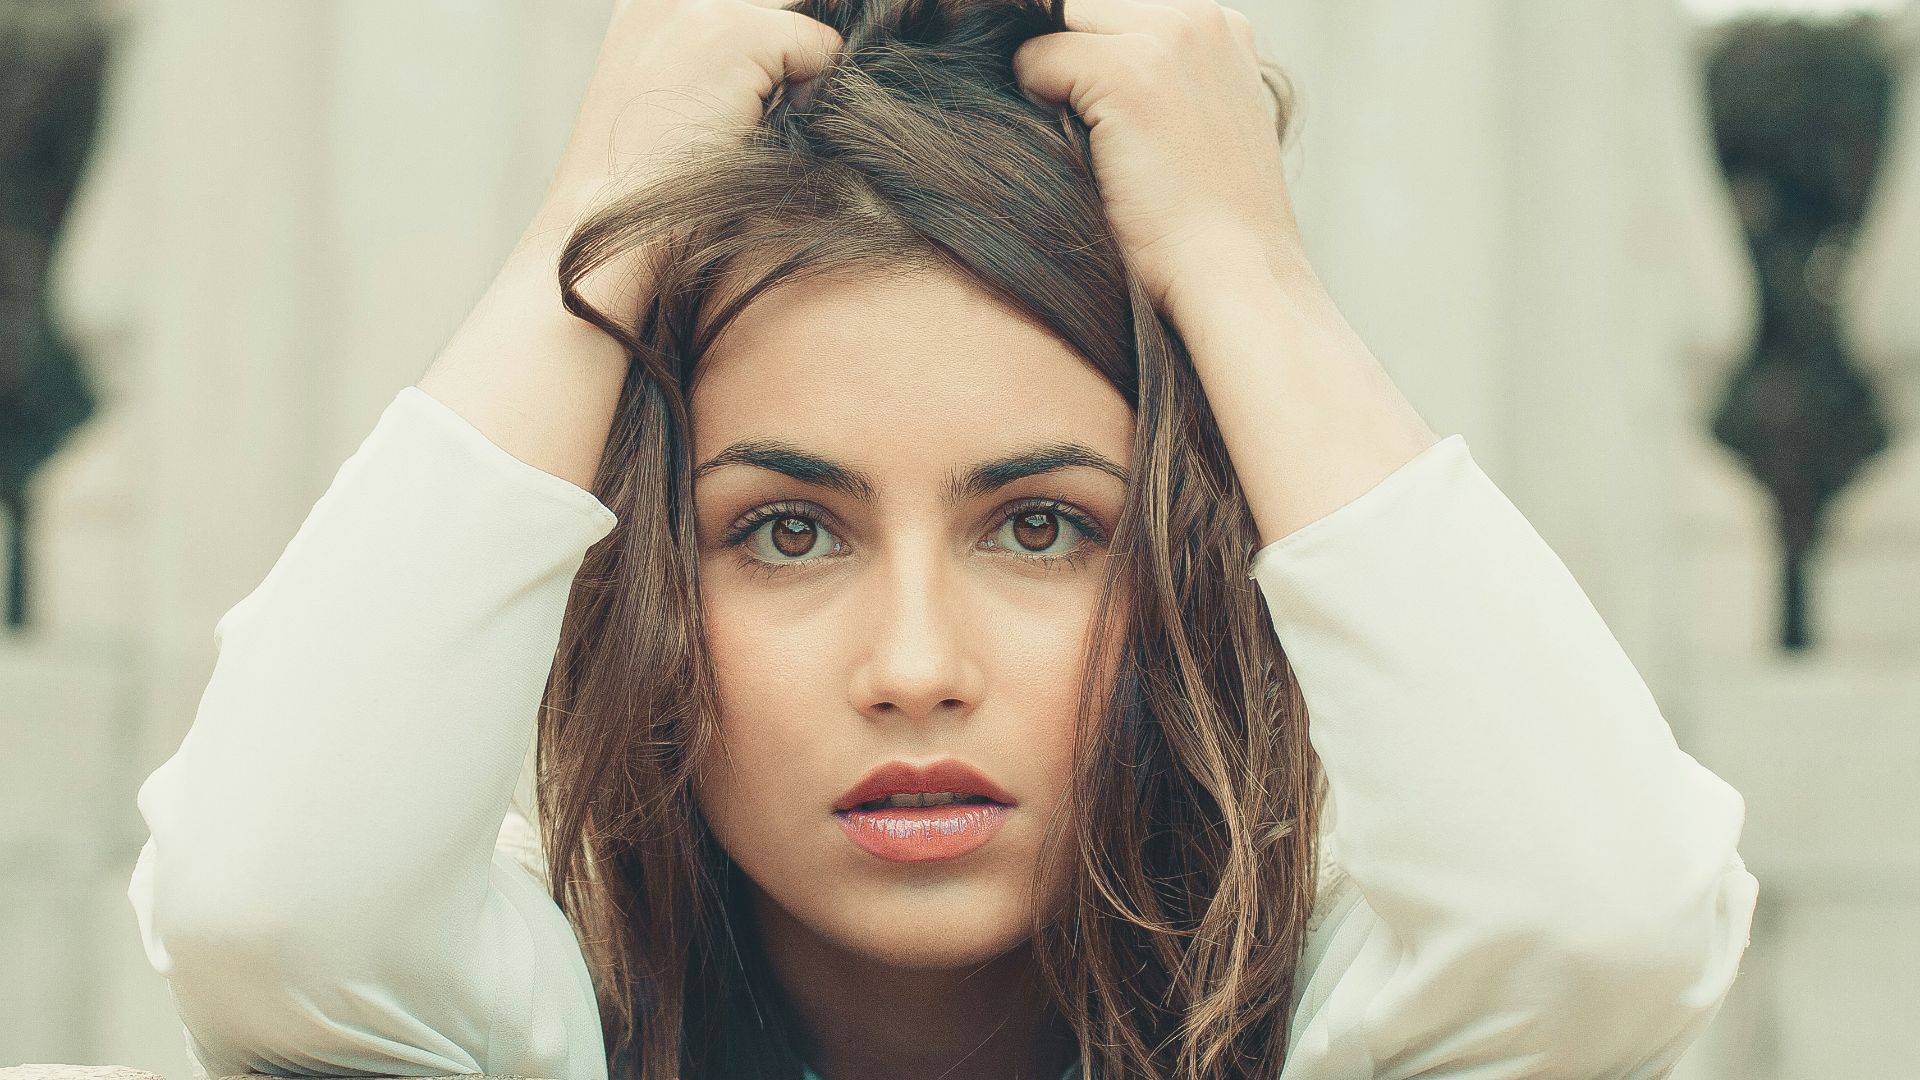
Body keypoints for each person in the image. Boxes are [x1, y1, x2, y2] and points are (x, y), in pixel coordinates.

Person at [126, 0, 1760, 1077]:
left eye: (1042, 526)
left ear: (1195, 566)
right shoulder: (536, 1037)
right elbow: (268, 905)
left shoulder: (1344, 1037)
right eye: (783, 533)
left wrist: (1247, 275)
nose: (915, 669)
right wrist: (593, 219)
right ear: (644, 594)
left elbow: (1598, 920)